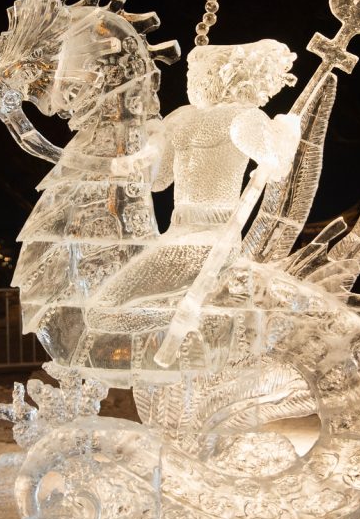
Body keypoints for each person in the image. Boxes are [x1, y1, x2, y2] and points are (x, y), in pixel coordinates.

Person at [86, 39, 299, 335]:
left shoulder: (244, 117)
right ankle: (202, 320)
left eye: (197, 71)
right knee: (100, 312)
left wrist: (286, 134)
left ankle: (202, 321)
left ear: (222, 74)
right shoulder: (183, 117)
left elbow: (275, 168)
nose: (190, 79)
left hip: (213, 239)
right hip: (176, 232)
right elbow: (158, 182)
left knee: (104, 312)